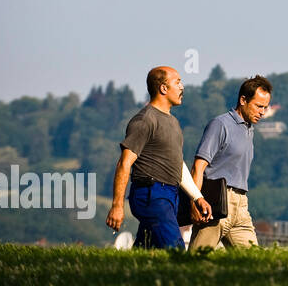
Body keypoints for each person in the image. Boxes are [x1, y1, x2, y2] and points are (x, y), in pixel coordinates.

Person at [106, 66, 211, 248]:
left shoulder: (173, 122)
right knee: (175, 250)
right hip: (152, 194)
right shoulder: (145, 120)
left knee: (146, 249)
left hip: (170, 194)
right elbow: (124, 163)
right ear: (163, 88)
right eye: (177, 82)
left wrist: (197, 197)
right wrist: (117, 206)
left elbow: (177, 164)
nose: (182, 87)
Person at [188, 75, 270, 250]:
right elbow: (198, 166)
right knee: (195, 262)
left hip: (241, 205)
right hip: (215, 203)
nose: (262, 112)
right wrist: (194, 201)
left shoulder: (249, 129)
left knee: (255, 262)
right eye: (258, 106)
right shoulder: (220, 124)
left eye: (265, 107)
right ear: (243, 100)